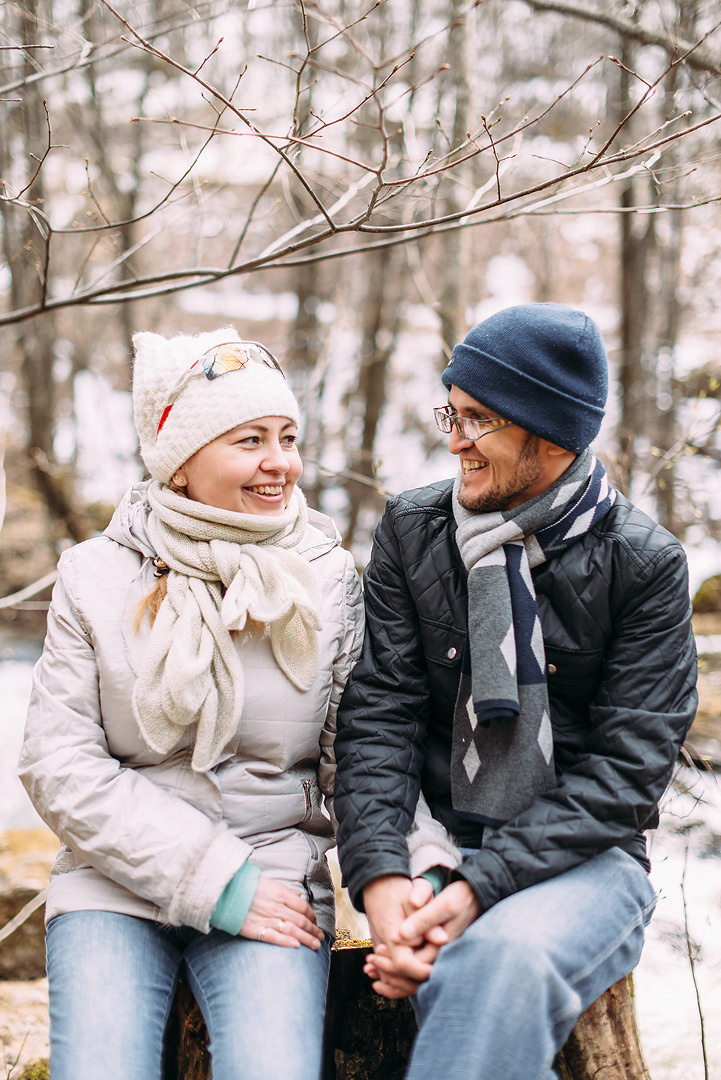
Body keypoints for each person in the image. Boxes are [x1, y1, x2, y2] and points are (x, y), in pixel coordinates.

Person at [333, 303, 698, 1080]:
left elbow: (627, 776)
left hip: (586, 864)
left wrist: (477, 887)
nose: (454, 441)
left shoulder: (644, 564)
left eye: (478, 420)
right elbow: (378, 717)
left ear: (552, 433)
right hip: (431, 841)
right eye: (451, 414)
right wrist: (383, 877)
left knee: (499, 960)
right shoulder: (411, 530)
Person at [19, 328, 363, 1080]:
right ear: (180, 462)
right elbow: (58, 765)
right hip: (112, 883)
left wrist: (402, 877)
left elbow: (360, 762)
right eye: (249, 440)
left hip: (275, 877)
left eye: (287, 438)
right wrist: (215, 881)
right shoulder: (92, 576)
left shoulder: (329, 578)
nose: (280, 462)